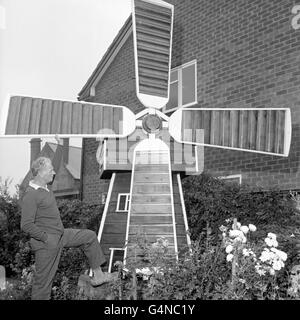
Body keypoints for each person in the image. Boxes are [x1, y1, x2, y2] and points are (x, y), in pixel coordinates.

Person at [20, 152, 116, 300]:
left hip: (61, 235)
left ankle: (99, 276)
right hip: (46, 244)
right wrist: (46, 238)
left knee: (89, 236)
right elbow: (26, 225)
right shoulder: (31, 195)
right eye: (50, 170)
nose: (53, 172)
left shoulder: (46, 187)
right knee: (43, 285)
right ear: (40, 172)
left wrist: (58, 146)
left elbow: (56, 164)